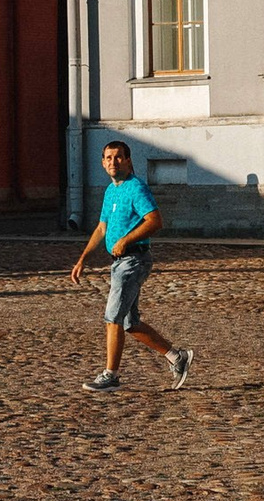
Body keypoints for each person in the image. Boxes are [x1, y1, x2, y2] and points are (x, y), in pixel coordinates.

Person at [69, 140, 194, 392]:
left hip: (134, 260)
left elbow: (155, 221)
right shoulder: (111, 190)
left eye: (118, 157)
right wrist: (83, 259)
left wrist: (126, 239)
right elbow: (102, 228)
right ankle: (176, 357)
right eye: (108, 158)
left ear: (128, 160)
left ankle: (111, 375)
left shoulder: (137, 187)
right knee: (129, 322)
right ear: (103, 163)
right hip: (119, 263)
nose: (113, 162)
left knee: (112, 317)